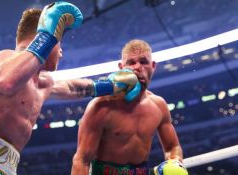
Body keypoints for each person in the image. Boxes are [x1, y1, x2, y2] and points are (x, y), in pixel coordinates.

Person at [0, 1, 140, 175]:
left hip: (5, 169)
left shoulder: (43, 83)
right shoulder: (3, 58)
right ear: (44, 35)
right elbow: (6, 81)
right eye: (58, 42)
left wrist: (113, 86)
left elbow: (74, 88)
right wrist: (48, 38)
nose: (61, 51)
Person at [71, 39, 189, 175]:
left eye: (143, 62)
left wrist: (175, 161)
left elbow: (172, 147)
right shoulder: (100, 107)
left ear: (153, 66)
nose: (137, 67)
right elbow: (82, 160)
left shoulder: (159, 106)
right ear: (121, 68)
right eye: (131, 63)